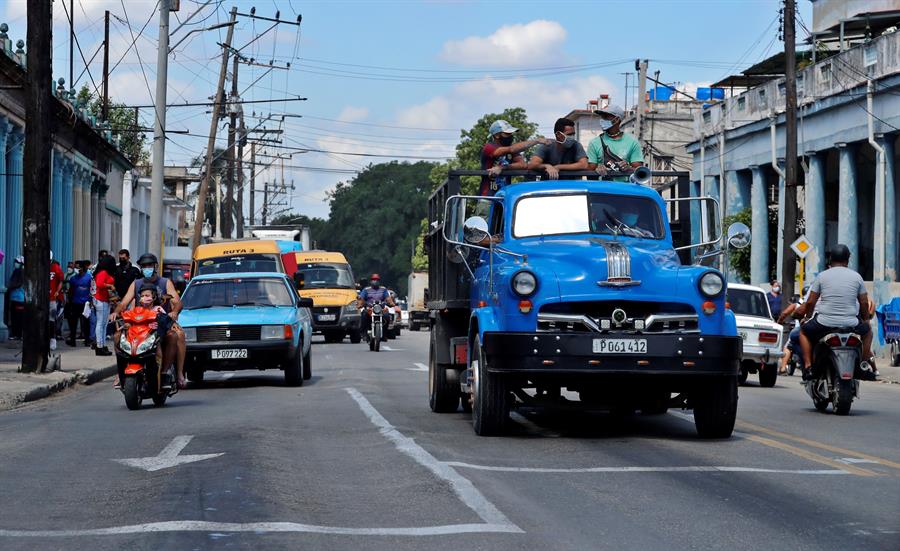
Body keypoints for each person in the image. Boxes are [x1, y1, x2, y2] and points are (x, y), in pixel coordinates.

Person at [793, 244, 876, 380]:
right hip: (851, 324)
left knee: (803, 331)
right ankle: (863, 364)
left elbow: (810, 302)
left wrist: (807, 317)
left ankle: (808, 367)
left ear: (830, 259)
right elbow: (864, 302)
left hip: (824, 323)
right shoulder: (857, 277)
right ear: (848, 260)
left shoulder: (822, 276)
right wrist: (866, 319)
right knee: (868, 331)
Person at [110, 253, 186, 388]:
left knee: (176, 335)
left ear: (155, 266)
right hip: (139, 325)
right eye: (144, 266)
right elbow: (123, 303)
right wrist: (116, 313)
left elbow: (177, 302)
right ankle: (121, 372)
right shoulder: (136, 284)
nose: (147, 268)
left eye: (149, 265)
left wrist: (174, 313)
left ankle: (169, 372)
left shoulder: (165, 282)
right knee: (117, 336)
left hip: (161, 322)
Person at [480, 119, 549, 196]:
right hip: (488, 195)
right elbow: (512, 149)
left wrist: (503, 167)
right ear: (497, 135)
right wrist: (536, 141)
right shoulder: (489, 147)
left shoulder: (511, 149)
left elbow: (523, 165)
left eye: (511, 133)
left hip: (504, 195)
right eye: (507, 134)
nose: (511, 136)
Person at [586, 105, 644, 182]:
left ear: (616, 120)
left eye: (606, 117)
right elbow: (589, 172)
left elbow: (639, 171)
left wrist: (628, 168)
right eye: (602, 117)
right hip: (601, 190)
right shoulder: (594, 143)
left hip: (625, 189)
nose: (602, 120)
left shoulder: (632, 142)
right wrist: (597, 168)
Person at [357, 274, 397, 341]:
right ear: (371, 281)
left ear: (379, 281)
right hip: (369, 308)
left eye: (377, 280)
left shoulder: (383, 289)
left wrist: (391, 303)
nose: (375, 281)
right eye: (373, 280)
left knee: (387, 316)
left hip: (380, 308)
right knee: (363, 315)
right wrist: (360, 304)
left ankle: (384, 334)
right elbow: (361, 298)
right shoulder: (366, 290)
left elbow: (388, 298)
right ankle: (364, 333)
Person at [92, 255, 117, 356]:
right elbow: (99, 284)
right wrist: (110, 285)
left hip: (104, 299)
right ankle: (99, 346)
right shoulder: (103, 272)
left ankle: (102, 345)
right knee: (101, 323)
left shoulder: (103, 272)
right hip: (100, 299)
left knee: (104, 324)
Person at [66, 261, 93, 346]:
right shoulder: (73, 279)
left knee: (86, 323)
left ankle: (87, 340)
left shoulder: (89, 278)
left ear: (82, 268)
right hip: (75, 303)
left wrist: (91, 301)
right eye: (76, 267)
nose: (77, 269)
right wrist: (69, 301)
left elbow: (92, 290)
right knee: (73, 323)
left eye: (78, 267)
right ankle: (73, 340)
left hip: (86, 304)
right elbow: (71, 290)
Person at [6, 256, 25, 340]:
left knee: (17, 317)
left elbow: (15, 283)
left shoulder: (19, 272)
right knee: (16, 317)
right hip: (17, 298)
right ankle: (17, 334)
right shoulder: (20, 271)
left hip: (18, 298)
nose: (15, 263)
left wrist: (8, 287)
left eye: (17, 262)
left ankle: (17, 334)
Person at [49, 253, 64, 351]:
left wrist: (57, 292)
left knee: (51, 320)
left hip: (52, 299)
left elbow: (61, 281)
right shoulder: (40, 266)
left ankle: (52, 339)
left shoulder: (55, 267)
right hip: (40, 299)